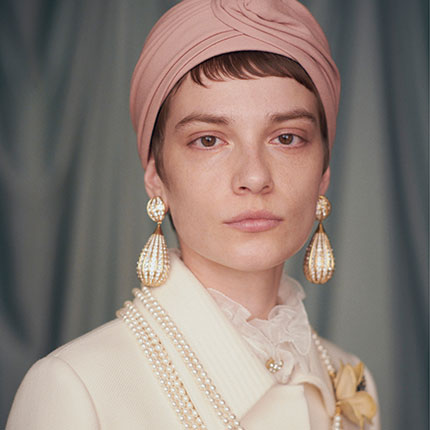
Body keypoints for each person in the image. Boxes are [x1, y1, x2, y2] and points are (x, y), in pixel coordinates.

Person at [6, 0, 380, 429]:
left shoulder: (351, 378)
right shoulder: (75, 386)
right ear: (156, 176)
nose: (254, 177)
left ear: (324, 172)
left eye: (287, 138)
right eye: (208, 140)